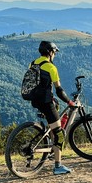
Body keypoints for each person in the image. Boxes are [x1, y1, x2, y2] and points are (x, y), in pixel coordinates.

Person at [30, 41, 75, 175]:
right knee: (60, 134)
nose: (54, 55)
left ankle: (51, 146)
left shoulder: (33, 63)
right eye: (54, 52)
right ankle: (58, 166)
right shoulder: (51, 67)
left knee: (54, 125)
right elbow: (59, 90)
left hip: (35, 100)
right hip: (46, 103)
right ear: (50, 52)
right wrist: (70, 102)